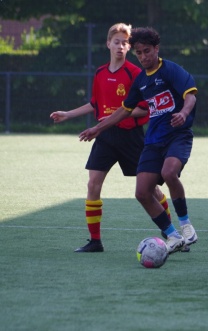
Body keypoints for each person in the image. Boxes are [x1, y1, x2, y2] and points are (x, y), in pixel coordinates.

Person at [50, 23, 173, 253]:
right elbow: (95, 104)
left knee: (151, 189)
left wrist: (116, 115)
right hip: (105, 136)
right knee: (93, 184)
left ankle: (171, 232)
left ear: (129, 48)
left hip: (131, 137)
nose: (120, 46)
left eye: (125, 43)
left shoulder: (135, 74)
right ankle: (95, 241)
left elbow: (145, 109)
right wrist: (68, 114)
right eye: (116, 42)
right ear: (108, 43)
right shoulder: (100, 73)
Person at [78, 26, 198, 254]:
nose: (143, 57)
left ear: (156, 49)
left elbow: (190, 94)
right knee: (142, 192)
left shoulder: (171, 70)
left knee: (169, 172)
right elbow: (123, 110)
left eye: (147, 51)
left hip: (177, 135)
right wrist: (97, 128)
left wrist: (183, 113)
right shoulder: (141, 80)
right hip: (153, 141)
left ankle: (185, 225)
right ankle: (172, 236)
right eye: (139, 53)